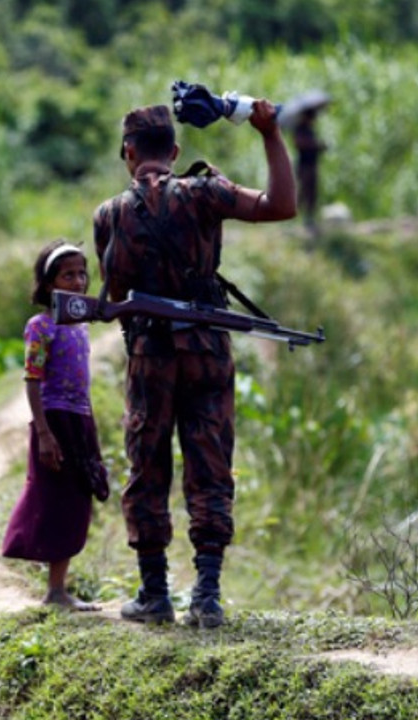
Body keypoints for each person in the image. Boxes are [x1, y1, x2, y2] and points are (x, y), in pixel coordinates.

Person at [93, 101, 295, 629]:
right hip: (208, 353)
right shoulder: (204, 192)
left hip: (149, 357)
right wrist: (269, 133)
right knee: (210, 467)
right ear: (176, 151)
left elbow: (113, 292)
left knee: (147, 466)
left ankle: (155, 593)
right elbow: (281, 205)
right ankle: (206, 594)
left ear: (129, 152)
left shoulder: (108, 214)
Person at [1, 240, 109, 612]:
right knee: (55, 498)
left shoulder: (80, 326)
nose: (78, 281)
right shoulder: (40, 326)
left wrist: (91, 429)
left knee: (78, 499)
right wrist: (44, 433)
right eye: (68, 274)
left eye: (82, 273)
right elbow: (33, 380)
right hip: (54, 419)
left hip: (80, 419)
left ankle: (58, 589)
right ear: (49, 284)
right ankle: (55, 590)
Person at [292, 108, 327, 241]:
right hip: (304, 166)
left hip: (311, 165)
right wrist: (316, 145)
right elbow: (299, 143)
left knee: (312, 193)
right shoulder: (300, 128)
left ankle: (309, 218)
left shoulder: (309, 130)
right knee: (302, 192)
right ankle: (295, 217)